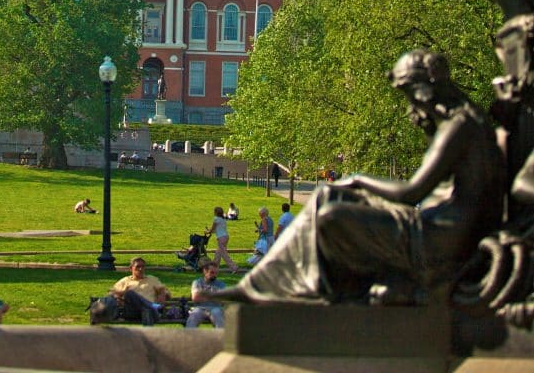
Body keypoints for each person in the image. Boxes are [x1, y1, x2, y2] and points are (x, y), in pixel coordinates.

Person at [218, 51, 505, 306]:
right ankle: (263, 286)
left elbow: (412, 193)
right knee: (327, 195)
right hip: (436, 222)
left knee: (332, 217)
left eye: (409, 93)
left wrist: (358, 180)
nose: (409, 105)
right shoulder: (465, 121)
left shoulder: (458, 128)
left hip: (438, 235)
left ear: (427, 87)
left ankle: (279, 290)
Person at [111, 257, 171, 326]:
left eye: (143, 266)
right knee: (130, 293)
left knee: (146, 311)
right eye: (138, 267)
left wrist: (163, 294)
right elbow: (112, 294)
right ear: (131, 268)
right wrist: (120, 295)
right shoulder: (125, 281)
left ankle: (147, 336)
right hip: (132, 312)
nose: (141, 269)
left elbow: (165, 292)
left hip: (150, 312)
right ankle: (151, 305)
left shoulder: (152, 279)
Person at [186, 260, 226, 328]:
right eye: (212, 273)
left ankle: (221, 338)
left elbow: (222, 300)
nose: (215, 275)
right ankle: (189, 338)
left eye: (216, 273)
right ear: (205, 271)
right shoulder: (197, 282)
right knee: (193, 318)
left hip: (215, 308)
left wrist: (203, 295)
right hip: (199, 308)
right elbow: (195, 298)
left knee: (218, 315)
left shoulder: (221, 284)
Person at [206, 206, 240, 274]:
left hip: (221, 238)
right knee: (218, 254)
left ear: (215, 212)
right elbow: (216, 230)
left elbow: (213, 229)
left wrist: (207, 231)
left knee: (224, 254)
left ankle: (234, 267)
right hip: (225, 237)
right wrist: (209, 231)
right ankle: (214, 269)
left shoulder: (216, 219)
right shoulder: (223, 219)